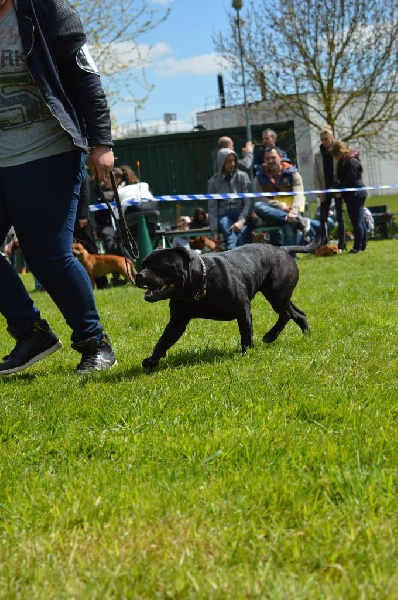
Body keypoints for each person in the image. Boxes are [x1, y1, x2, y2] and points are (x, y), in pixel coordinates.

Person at [0, 0, 116, 375]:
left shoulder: (48, 10)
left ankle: (94, 343)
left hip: (48, 149)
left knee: (47, 255)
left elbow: (84, 77)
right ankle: (29, 332)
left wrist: (101, 144)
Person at [253, 147, 308, 247]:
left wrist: (293, 212)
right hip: (271, 213)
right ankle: (295, 220)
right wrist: (278, 205)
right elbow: (259, 197)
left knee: (289, 224)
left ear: (280, 157)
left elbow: (299, 195)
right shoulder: (259, 176)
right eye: (267, 158)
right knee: (257, 205)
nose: (270, 161)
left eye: (273, 157)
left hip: (292, 212)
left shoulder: (293, 174)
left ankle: (290, 259)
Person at [207, 149, 253, 250]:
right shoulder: (213, 182)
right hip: (224, 215)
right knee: (231, 238)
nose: (232, 164)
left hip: (242, 214)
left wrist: (241, 220)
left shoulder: (243, 177)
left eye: (234, 161)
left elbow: (248, 202)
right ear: (221, 162)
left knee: (242, 238)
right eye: (228, 161)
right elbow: (212, 209)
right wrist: (214, 231)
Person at [331, 141, 367, 254]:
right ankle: (362, 245)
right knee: (359, 221)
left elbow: (352, 179)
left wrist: (339, 186)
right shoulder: (343, 162)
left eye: (336, 155)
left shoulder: (351, 162)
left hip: (356, 194)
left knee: (357, 222)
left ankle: (357, 246)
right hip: (350, 195)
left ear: (340, 152)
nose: (336, 158)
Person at [74, 176, 109, 289]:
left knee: (91, 249)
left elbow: (84, 193)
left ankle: (102, 283)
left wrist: (84, 215)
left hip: (80, 218)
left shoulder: (80, 172)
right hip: (67, 218)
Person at [313, 126, 346, 249]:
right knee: (323, 217)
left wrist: (342, 190)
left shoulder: (337, 151)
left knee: (340, 217)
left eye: (326, 138)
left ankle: (342, 243)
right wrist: (319, 193)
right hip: (324, 188)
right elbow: (316, 175)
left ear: (331, 138)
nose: (324, 141)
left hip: (337, 188)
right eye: (322, 139)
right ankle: (323, 242)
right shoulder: (317, 154)